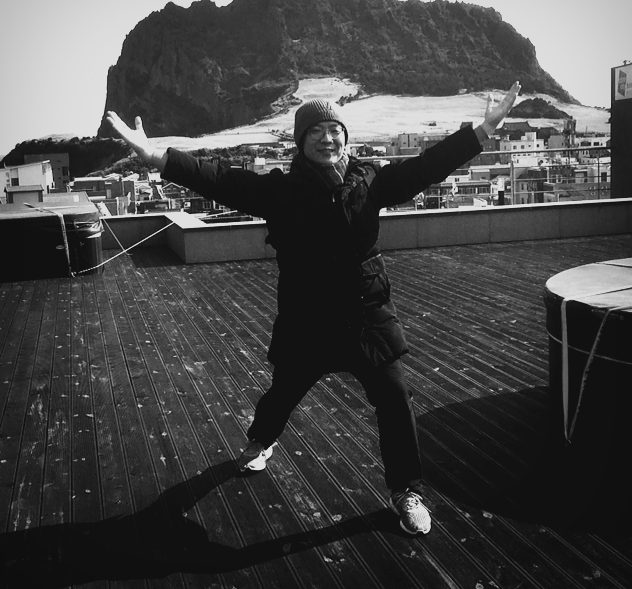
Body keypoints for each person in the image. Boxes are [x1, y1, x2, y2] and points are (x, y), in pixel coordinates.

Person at [106, 81, 521, 535]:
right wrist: (156, 156)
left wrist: (482, 132)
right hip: (308, 319)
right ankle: (261, 440)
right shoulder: (280, 191)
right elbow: (218, 178)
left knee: (395, 397)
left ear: (346, 136)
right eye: (316, 132)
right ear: (300, 141)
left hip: (366, 315)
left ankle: (406, 490)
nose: (327, 138)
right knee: (284, 392)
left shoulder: (370, 180)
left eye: (334, 130)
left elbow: (427, 167)